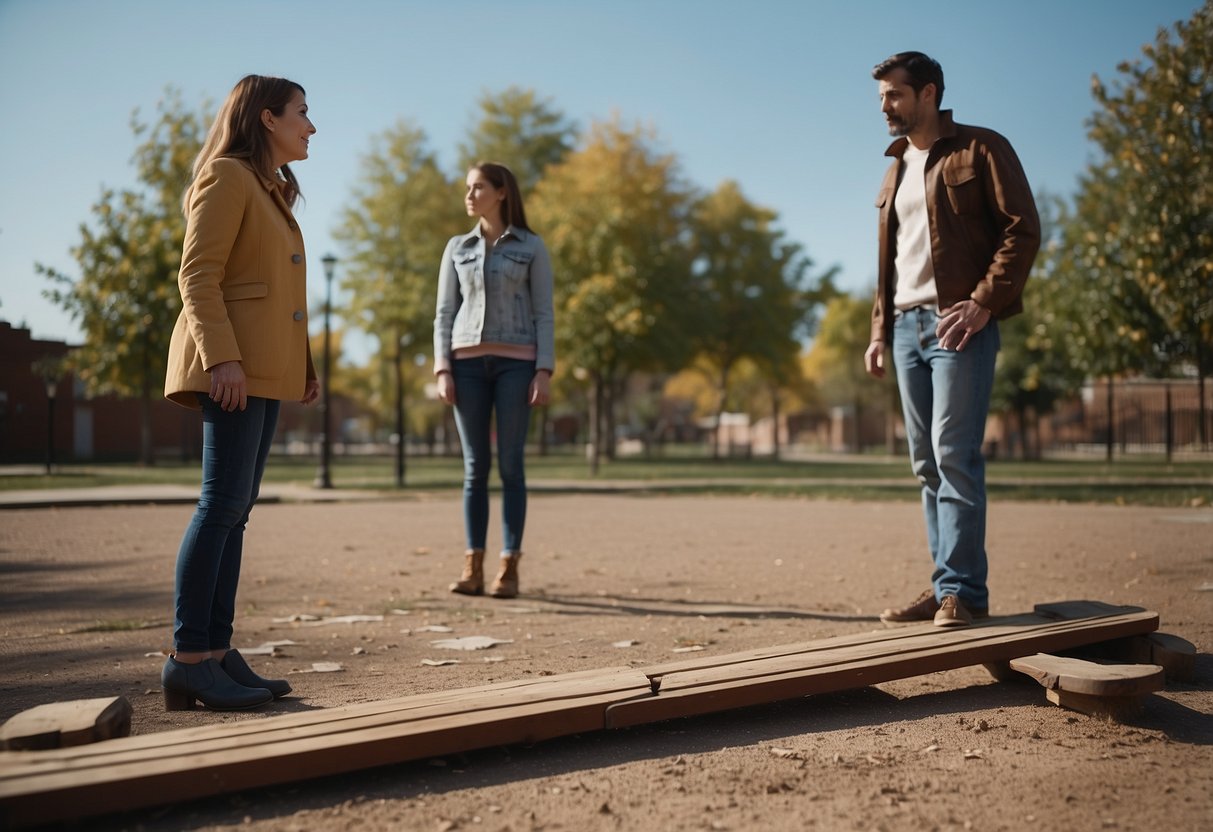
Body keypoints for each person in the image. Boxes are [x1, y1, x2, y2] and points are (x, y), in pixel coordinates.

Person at [864, 52, 1040, 627]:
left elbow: (1022, 229)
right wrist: (878, 331)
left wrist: (984, 302)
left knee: (952, 454)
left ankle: (962, 593)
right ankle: (947, 585)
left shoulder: (981, 148)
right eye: (882, 97)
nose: (885, 107)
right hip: (907, 328)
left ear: (928, 93)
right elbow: (889, 259)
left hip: (957, 324)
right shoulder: (894, 169)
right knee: (925, 464)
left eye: (894, 95)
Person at [162, 74, 319, 710]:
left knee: (237, 508)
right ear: (266, 118)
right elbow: (197, 276)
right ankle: (188, 658)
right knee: (220, 503)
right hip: (232, 366)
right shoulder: (227, 176)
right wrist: (221, 358)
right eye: (302, 113)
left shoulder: (272, 189)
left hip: (263, 368)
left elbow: (278, 293)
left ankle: (217, 651)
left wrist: (302, 363)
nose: (311, 126)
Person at [433, 162, 555, 600]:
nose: (469, 194)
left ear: (501, 193)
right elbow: (444, 312)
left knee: (511, 466)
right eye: (467, 187)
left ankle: (510, 568)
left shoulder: (531, 246)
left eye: (478, 187)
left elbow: (544, 312)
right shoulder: (456, 247)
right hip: (465, 365)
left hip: (516, 365)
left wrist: (543, 369)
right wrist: (442, 368)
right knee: (474, 469)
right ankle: (473, 568)